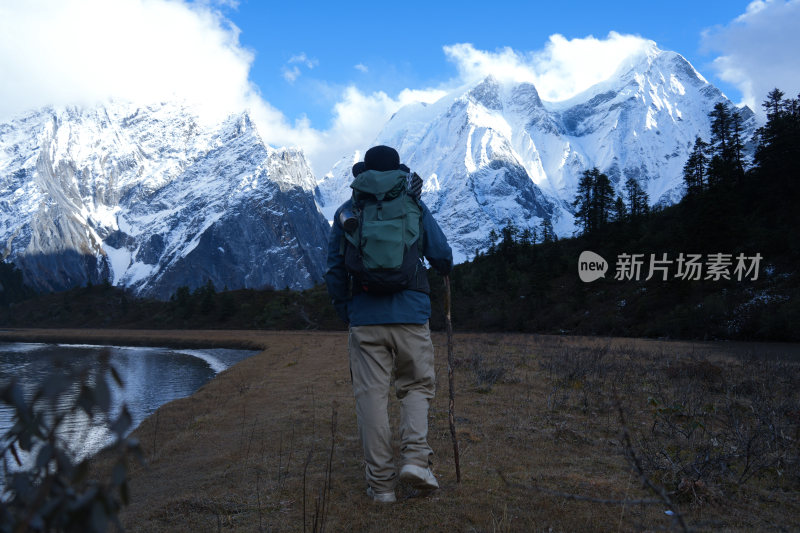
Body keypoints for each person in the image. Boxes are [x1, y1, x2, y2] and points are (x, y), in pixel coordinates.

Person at [325, 145, 453, 503]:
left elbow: (334, 269)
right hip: (412, 315)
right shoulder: (414, 205)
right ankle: (415, 460)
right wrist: (443, 269)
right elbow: (441, 253)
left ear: (362, 174)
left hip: (365, 319)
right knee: (415, 386)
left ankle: (381, 486)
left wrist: (345, 310)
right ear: (401, 172)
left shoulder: (347, 211)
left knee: (371, 398)